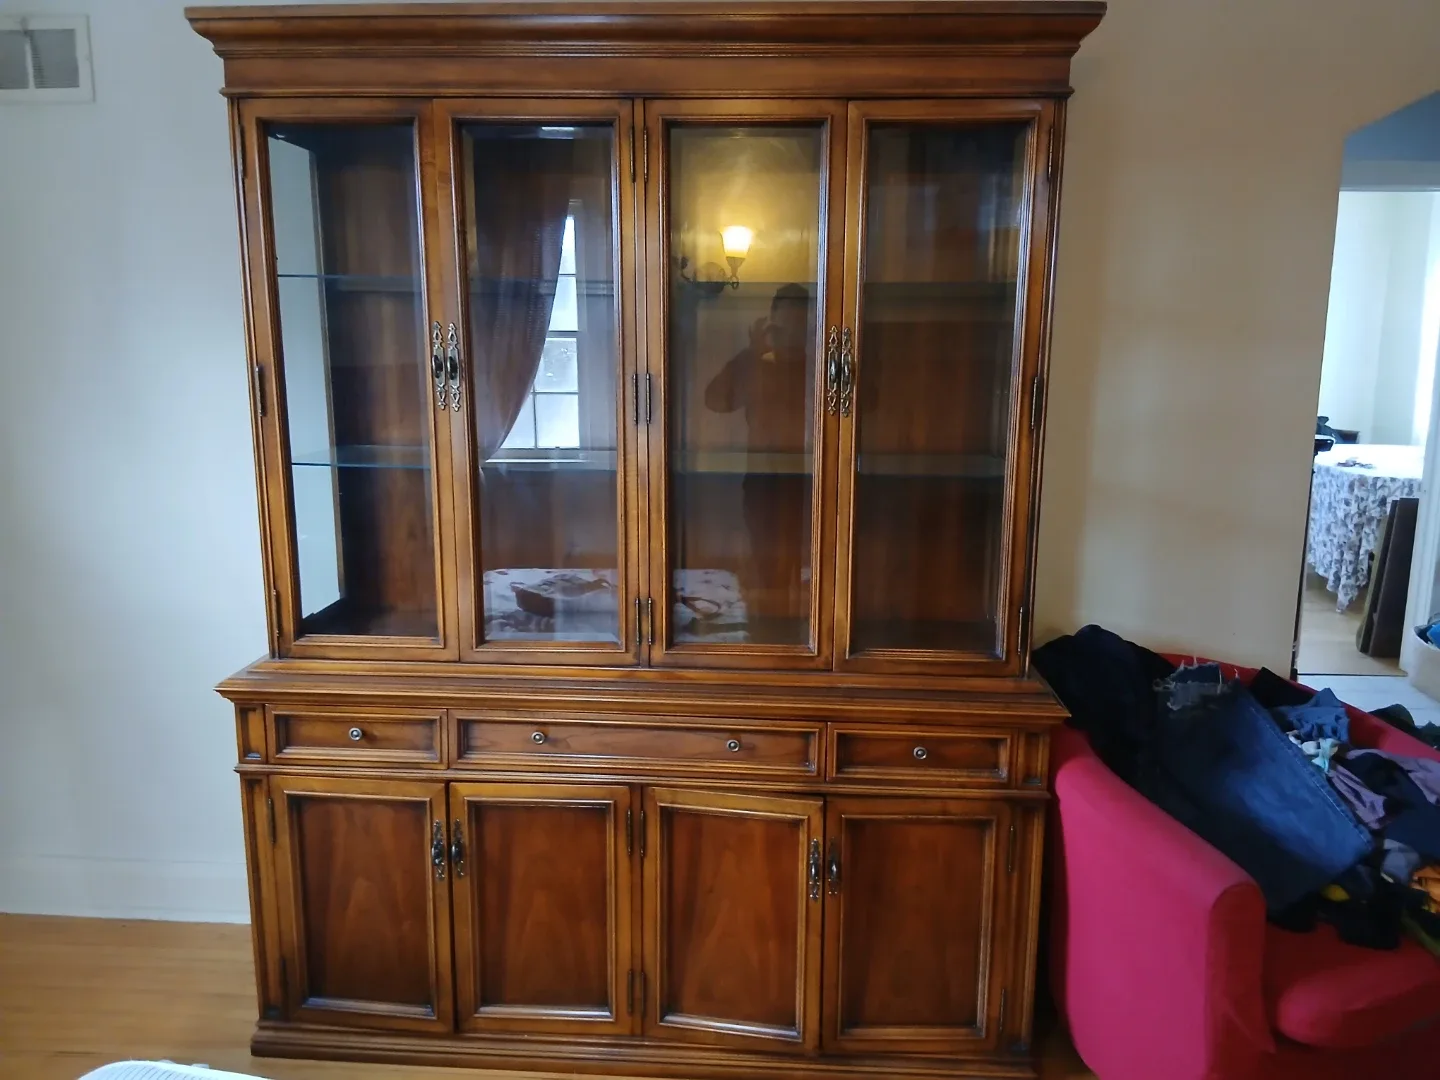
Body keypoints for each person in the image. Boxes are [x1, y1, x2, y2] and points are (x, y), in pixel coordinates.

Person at [701, 284, 813, 641]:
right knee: (765, 566)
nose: (793, 327)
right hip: (764, 481)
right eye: (786, 320)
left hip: (817, 479)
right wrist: (752, 352)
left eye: (801, 319)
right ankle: (767, 641)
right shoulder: (758, 365)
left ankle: (805, 641)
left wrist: (818, 350)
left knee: (812, 566)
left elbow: (865, 399)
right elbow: (715, 399)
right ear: (773, 322)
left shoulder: (823, 360)